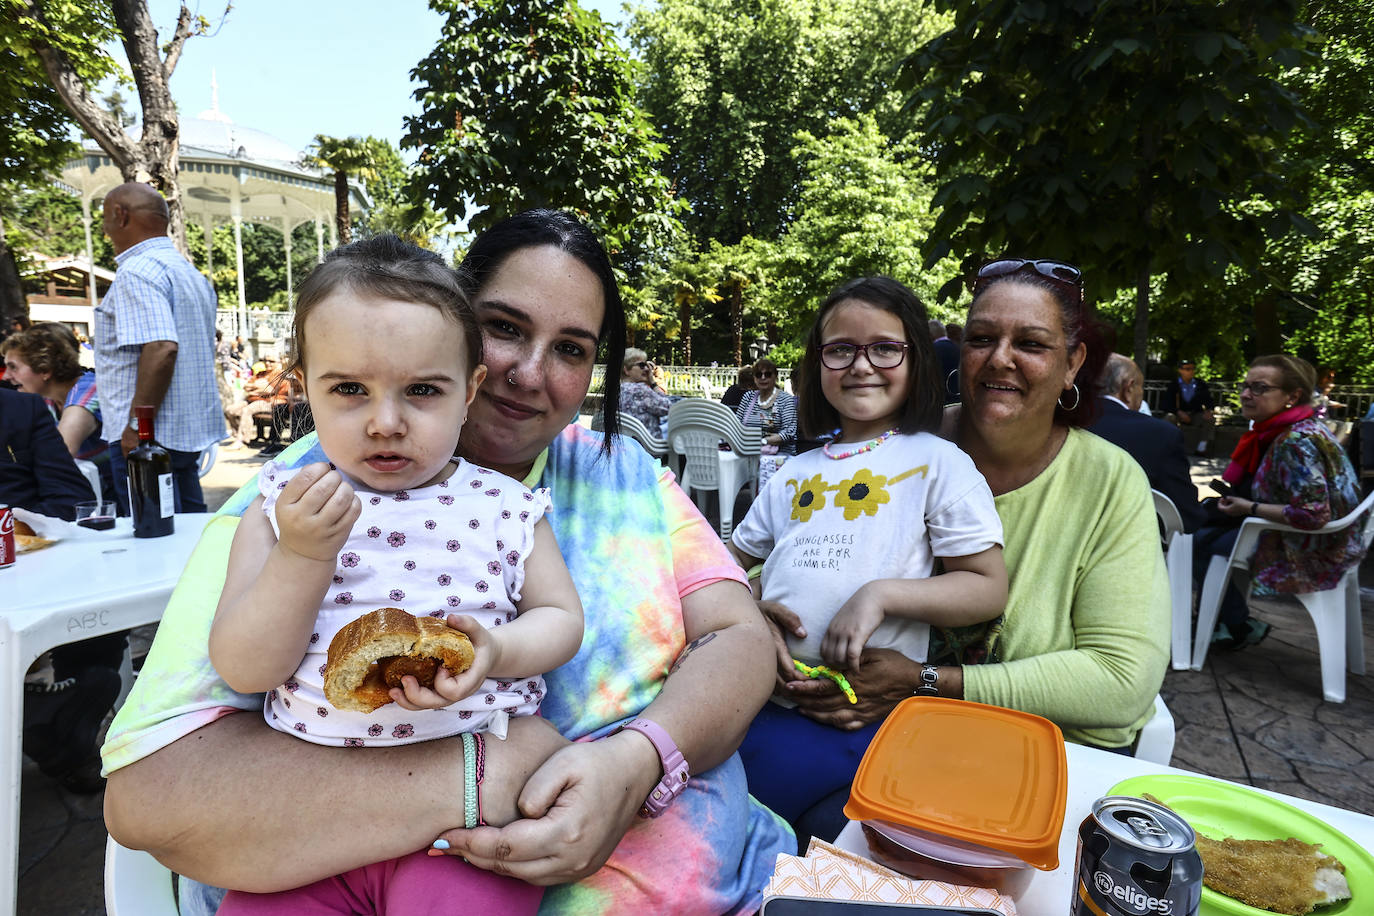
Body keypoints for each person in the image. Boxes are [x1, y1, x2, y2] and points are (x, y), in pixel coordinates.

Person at [101, 209, 790, 916]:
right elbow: (151, 795)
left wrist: (638, 761)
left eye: (572, 348)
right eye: (507, 328)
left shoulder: (613, 472)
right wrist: (487, 773)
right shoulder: (295, 500)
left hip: (742, 881)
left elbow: (736, 638)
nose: (526, 373)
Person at [210, 236, 584, 914]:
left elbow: (561, 619)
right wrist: (302, 557)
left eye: (421, 391)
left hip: (467, 832)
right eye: (349, 389)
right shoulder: (280, 508)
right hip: (309, 824)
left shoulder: (505, 506)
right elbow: (244, 667)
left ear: (469, 390)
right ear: (304, 386)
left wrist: (498, 651)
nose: (386, 422)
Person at [754, 258, 1169, 841]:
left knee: (840, 842)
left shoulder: (1106, 479)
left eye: (1031, 343)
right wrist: (754, 611)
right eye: (981, 339)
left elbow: (1121, 680)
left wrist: (923, 682)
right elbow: (768, 554)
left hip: (1020, 750)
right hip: (852, 732)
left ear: (1073, 363)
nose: (1001, 358)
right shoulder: (893, 447)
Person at [728, 277, 1007, 840]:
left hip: (864, 718)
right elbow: (725, 567)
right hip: (763, 699)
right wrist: (751, 606)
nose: (861, 365)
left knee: (792, 841)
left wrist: (878, 594)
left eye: (885, 348)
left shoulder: (936, 462)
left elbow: (985, 585)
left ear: (917, 362)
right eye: (840, 350)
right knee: (726, 829)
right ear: (816, 365)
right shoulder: (794, 472)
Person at [1192, 355, 1367, 650]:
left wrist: (1249, 508)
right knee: (1209, 531)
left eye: (1259, 388)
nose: (1246, 394)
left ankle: (1236, 623)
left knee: (1196, 541)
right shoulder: (1298, 428)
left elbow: (1313, 514)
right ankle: (1229, 621)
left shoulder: (1294, 441)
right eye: (1245, 386)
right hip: (1340, 538)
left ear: (1292, 396)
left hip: (1316, 547)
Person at [0, 387, 120, 794]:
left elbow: (72, 500)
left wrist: (25, 523)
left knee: (100, 608)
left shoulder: (19, 408)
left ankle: (60, 714)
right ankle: (50, 724)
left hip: (24, 560)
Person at [96, 181, 223, 515]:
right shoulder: (190, 274)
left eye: (105, 218)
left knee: (156, 538)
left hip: (149, 438)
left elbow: (163, 347)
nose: (104, 228)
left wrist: (138, 428)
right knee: (189, 537)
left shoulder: (137, 272)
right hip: (182, 432)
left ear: (120, 216)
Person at [1089, 353, 1204, 532]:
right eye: (1141, 388)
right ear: (1128, 388)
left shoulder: (1055, 424)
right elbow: (1187, 516)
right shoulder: (1161, 435)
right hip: (1131, 546)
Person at [1, 322, 112, 497]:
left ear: (44, 369)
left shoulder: (89, 390)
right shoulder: (46, 400)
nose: (6, 376)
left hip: (118, 499)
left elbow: (57, 457)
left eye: (13, 367)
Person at [735, 355, 798, 489]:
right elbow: (737, 424)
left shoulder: (785, 400)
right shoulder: (748, 397)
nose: (763, 378)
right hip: (748, 452)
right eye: (759, 374)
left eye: (767, 374)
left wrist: (762, 441)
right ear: (754, 378)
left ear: (775, 376)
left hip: (778, 455)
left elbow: (789, 432)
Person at [1163, 358, 1215, 455]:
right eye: (1187, 369)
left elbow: (1209, 400)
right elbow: (1166, 404)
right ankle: (1168, 445)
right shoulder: (1173, 385)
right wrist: (1178, 412)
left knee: (1210, 419)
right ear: (1180, 370)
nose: (1191, 371)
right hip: (1178, 414)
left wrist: (1208, 410)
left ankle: (1202, 447)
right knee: (1169, 418)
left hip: (1195, 414)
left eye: (1192, 369)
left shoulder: (1201, 384)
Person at [616, 346, 671, 432]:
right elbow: (668, 408)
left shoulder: (614, 392)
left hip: (625, 441)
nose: (647, 369)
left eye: (646, 365)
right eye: (642, 365)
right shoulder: (640, 390)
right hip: (647, 443)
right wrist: (652, 382)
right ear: (626, 370)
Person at [931, 318, 960, 404]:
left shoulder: (932, 350)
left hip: (940, 400)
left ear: (930, 335)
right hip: (958, 396)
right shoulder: (957, 348)